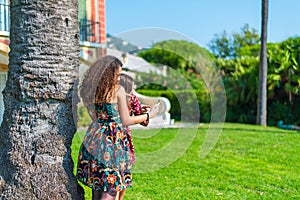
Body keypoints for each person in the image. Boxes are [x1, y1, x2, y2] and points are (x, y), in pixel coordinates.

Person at [76, 55, 159, 200]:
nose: (119, 78)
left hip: (94, 139)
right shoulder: (117, 90)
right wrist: (149, 115)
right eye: (118, 74)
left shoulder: (88, 91)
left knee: (97, 187)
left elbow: (98, 116)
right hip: (113, 142)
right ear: (109, 73)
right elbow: (125, 120)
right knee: (110, 190)